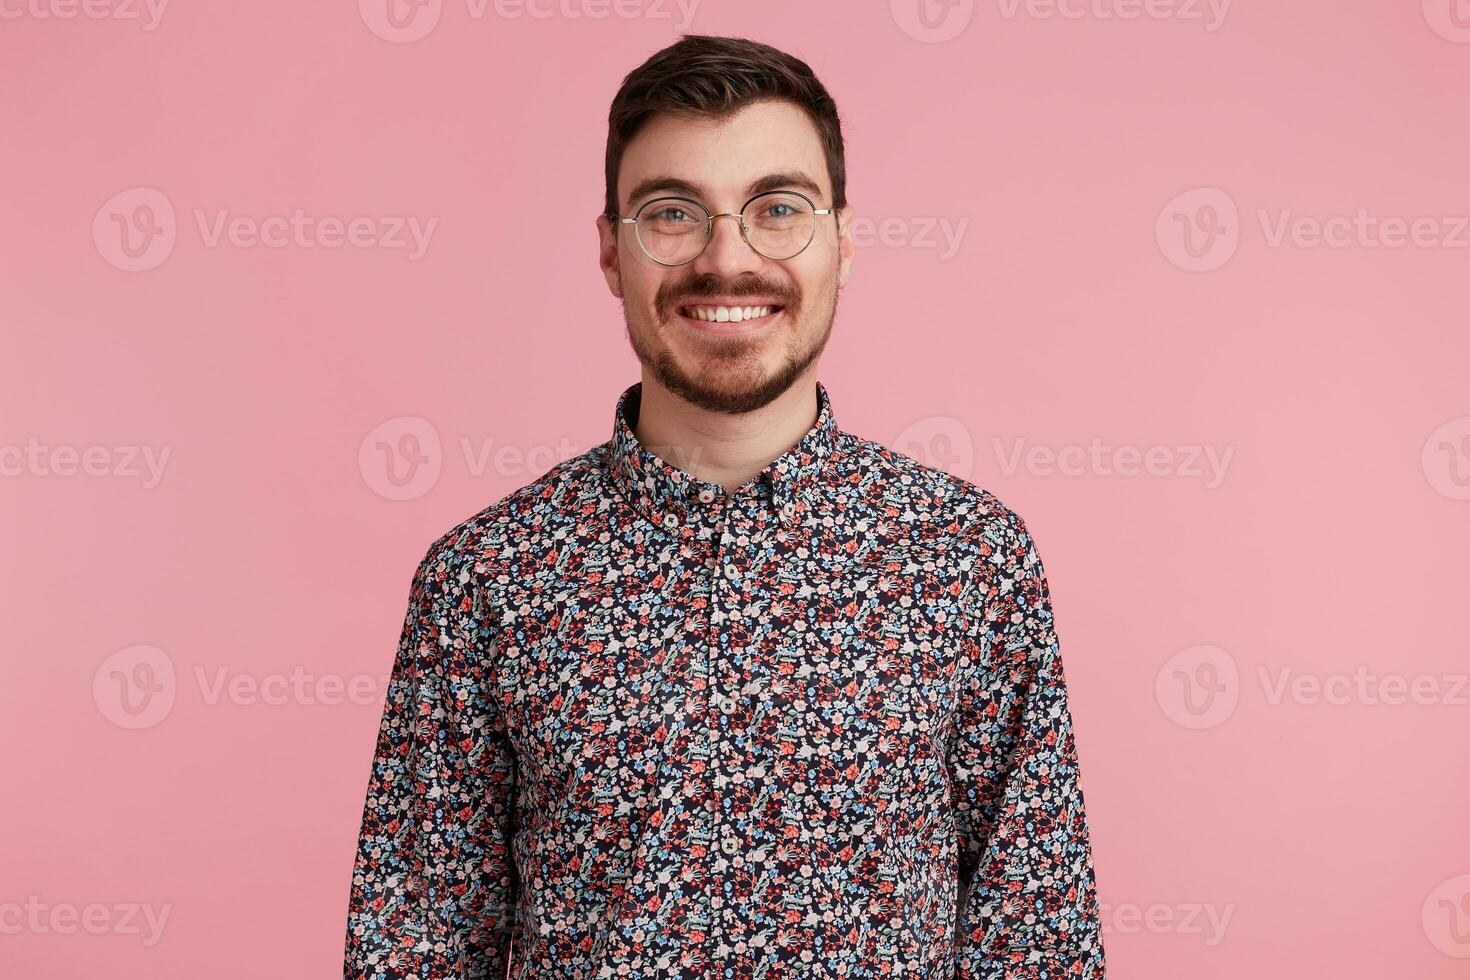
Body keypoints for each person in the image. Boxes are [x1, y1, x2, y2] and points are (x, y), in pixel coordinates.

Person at [344, 33, 1106, 980]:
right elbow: (412, 948)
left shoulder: (967, 557)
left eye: (777, 208)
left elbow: (1036, 943)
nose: (726, 259)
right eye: (672, 214)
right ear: (611, 253)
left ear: (844, 241)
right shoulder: (484, 579)